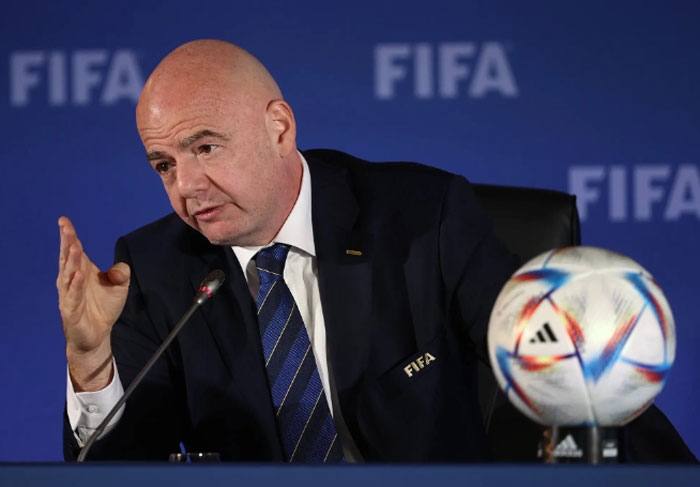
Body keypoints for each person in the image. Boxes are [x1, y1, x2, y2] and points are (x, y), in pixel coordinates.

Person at [58, 39, 696, 463]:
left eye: (205, 147)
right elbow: (120, 470)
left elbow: (560, 371)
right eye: (163, 164)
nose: (186, 186)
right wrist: (90, 364)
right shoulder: (157, 266)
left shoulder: (422, 218)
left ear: (279, 128)